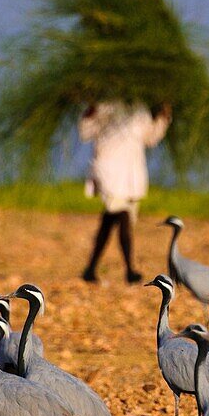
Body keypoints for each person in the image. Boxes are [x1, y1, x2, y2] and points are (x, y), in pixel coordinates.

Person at [79, 101, 172, 284]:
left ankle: (90, 268)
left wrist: (163, 117)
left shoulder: (140, 110)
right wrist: (89, 112)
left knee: (110, 219)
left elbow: (150, 138)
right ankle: (130, 269)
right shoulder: (104, 108)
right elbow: (86, 133)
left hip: (131, 173)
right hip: (109, 170)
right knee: (122, 215)